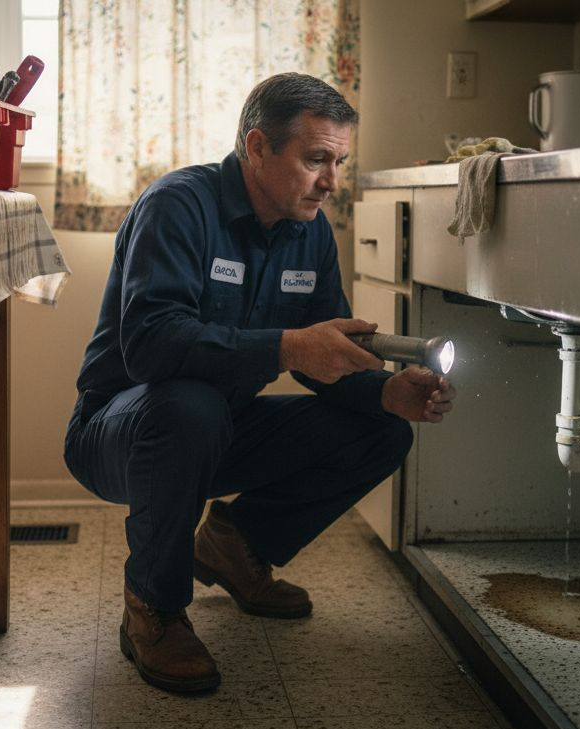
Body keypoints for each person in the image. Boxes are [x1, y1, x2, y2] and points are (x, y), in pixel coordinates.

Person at [63, 72, 456, 693]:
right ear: (256, 148)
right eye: (316, 159)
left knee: (383, 432)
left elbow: (322, 356)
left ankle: (235, 543)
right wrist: (287, 344)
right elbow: (150, 346)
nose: (331, 181)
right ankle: (153, 608)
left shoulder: (311, 233)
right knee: (189, 407)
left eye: (339, 162)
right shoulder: (178, 207)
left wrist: (383, 391)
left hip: (216, 427)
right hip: (118, 427)